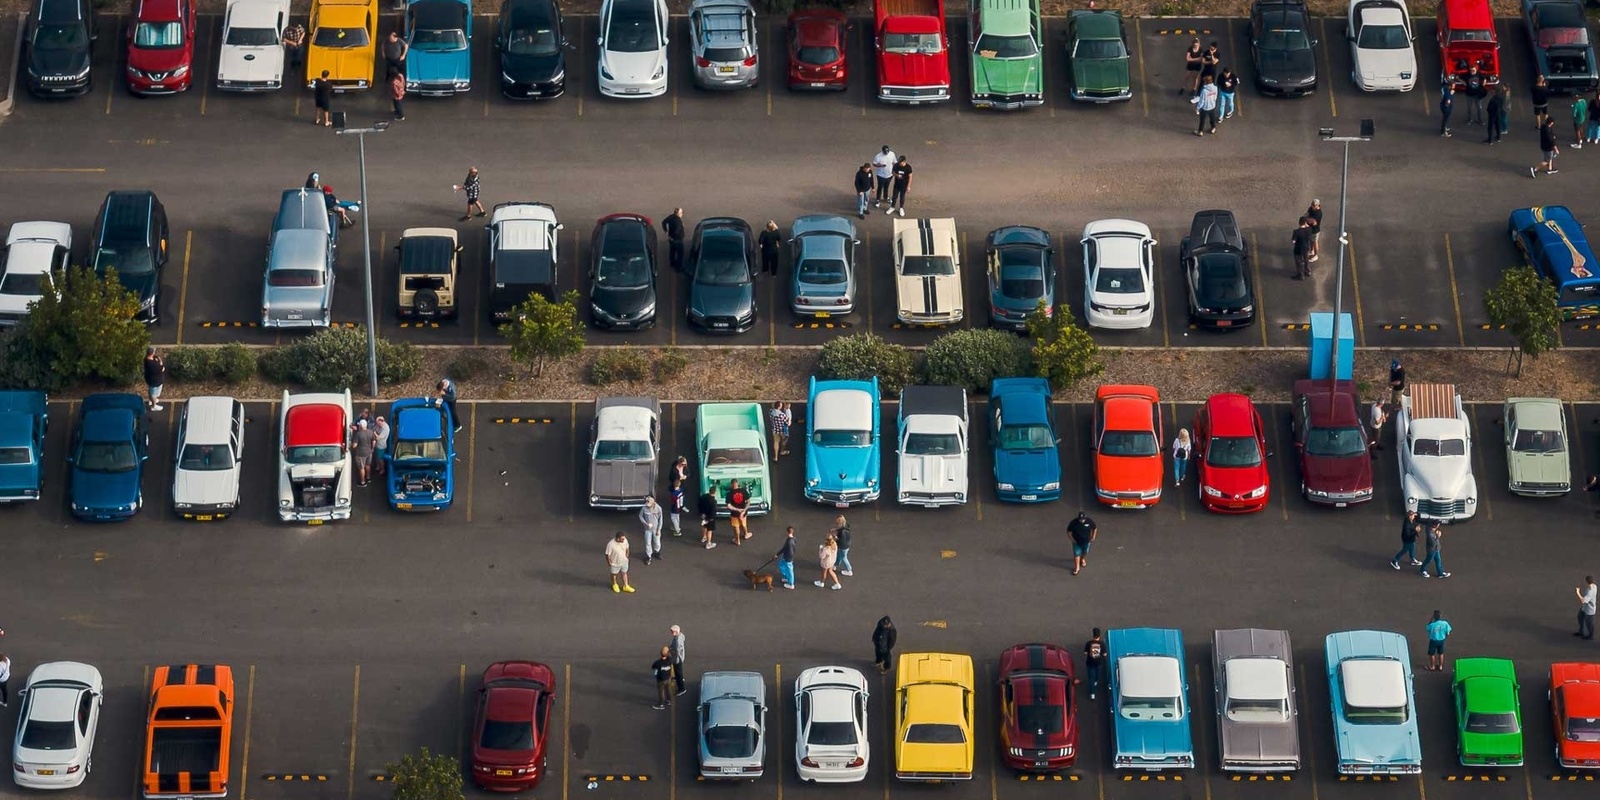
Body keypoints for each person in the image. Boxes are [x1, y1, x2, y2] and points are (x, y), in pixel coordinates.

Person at [1067, 511, 1096, 576]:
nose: (1082, 521)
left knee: (1085, 552)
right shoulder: (1073, 523)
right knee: (1077, 554)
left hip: (1087, 541)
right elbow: (1069, 531)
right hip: (1077, 542)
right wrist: (1072, 539)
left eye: (1083, 519)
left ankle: (1082, 559)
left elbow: (1094, 528)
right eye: (1080, 519)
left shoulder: (1089, 521)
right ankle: (1077, 567)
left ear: (1085, 518)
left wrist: (1093, 536)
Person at [351, 419, 377, 487]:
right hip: (369, 452)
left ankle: (363, 482)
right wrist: (372, 449)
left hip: (360, 454)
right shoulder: (371, 432)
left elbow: (354, 446)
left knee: (361, 468)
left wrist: (352, 443)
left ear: (361, 426)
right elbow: (374, 441)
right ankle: (368, 478)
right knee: (368, 465)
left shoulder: (358, 434)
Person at [1082, 628, 1106, 700]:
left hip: (1090, 662)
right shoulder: (1102, 644)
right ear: (1099, 635)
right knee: (1097, 672)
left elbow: (1085, 652)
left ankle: (1092, 693)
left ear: (1093, 635)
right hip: (1098, 662)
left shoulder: (1089, 643)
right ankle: (1096, 681)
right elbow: (1104, 654)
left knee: (1090, 677)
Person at [639, 496, 664, 565]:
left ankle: (656, 552)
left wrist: (659, 530)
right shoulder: (644, 508)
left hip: (656, 529)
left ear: (653, 503)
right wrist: (645, 523)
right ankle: (648, 556)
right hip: (647, 529)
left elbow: (660, 520)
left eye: (649, 504)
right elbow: (640, 516)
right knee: (648, 543)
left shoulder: (658, 508)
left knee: (657, 542)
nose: (648, 506)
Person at [662, 208, 686, 273]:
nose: (682, 214)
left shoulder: (671, 217)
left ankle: (672, 263)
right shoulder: (678, 221)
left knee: (672, 251)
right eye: (682, 213)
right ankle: (678, 267)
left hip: (671, 239)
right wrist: (682, 227)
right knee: (680, 254)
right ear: (679, 214)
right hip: (677, 240)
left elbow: (663, 222)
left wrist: (666, 231)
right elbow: (677, 231)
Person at [143, 347, 166, 411]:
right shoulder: (154, 364)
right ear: (152, 353)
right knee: (154, 394)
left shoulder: (146, 359)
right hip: (155, 381)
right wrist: (160, 361)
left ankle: (151, 400)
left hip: (150, 379)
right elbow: (162, 368)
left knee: (151, 391)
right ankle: (153, 406)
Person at [668, 625, 687, 695]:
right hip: (678, 658)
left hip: (677, 659)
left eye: (672, 631)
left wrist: (670, 650)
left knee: (678, 672)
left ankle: (682, 688)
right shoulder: (680, 636)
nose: (671, 632)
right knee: (678, 671)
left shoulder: (678, 641)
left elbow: (677, 650)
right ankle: (679, 678)